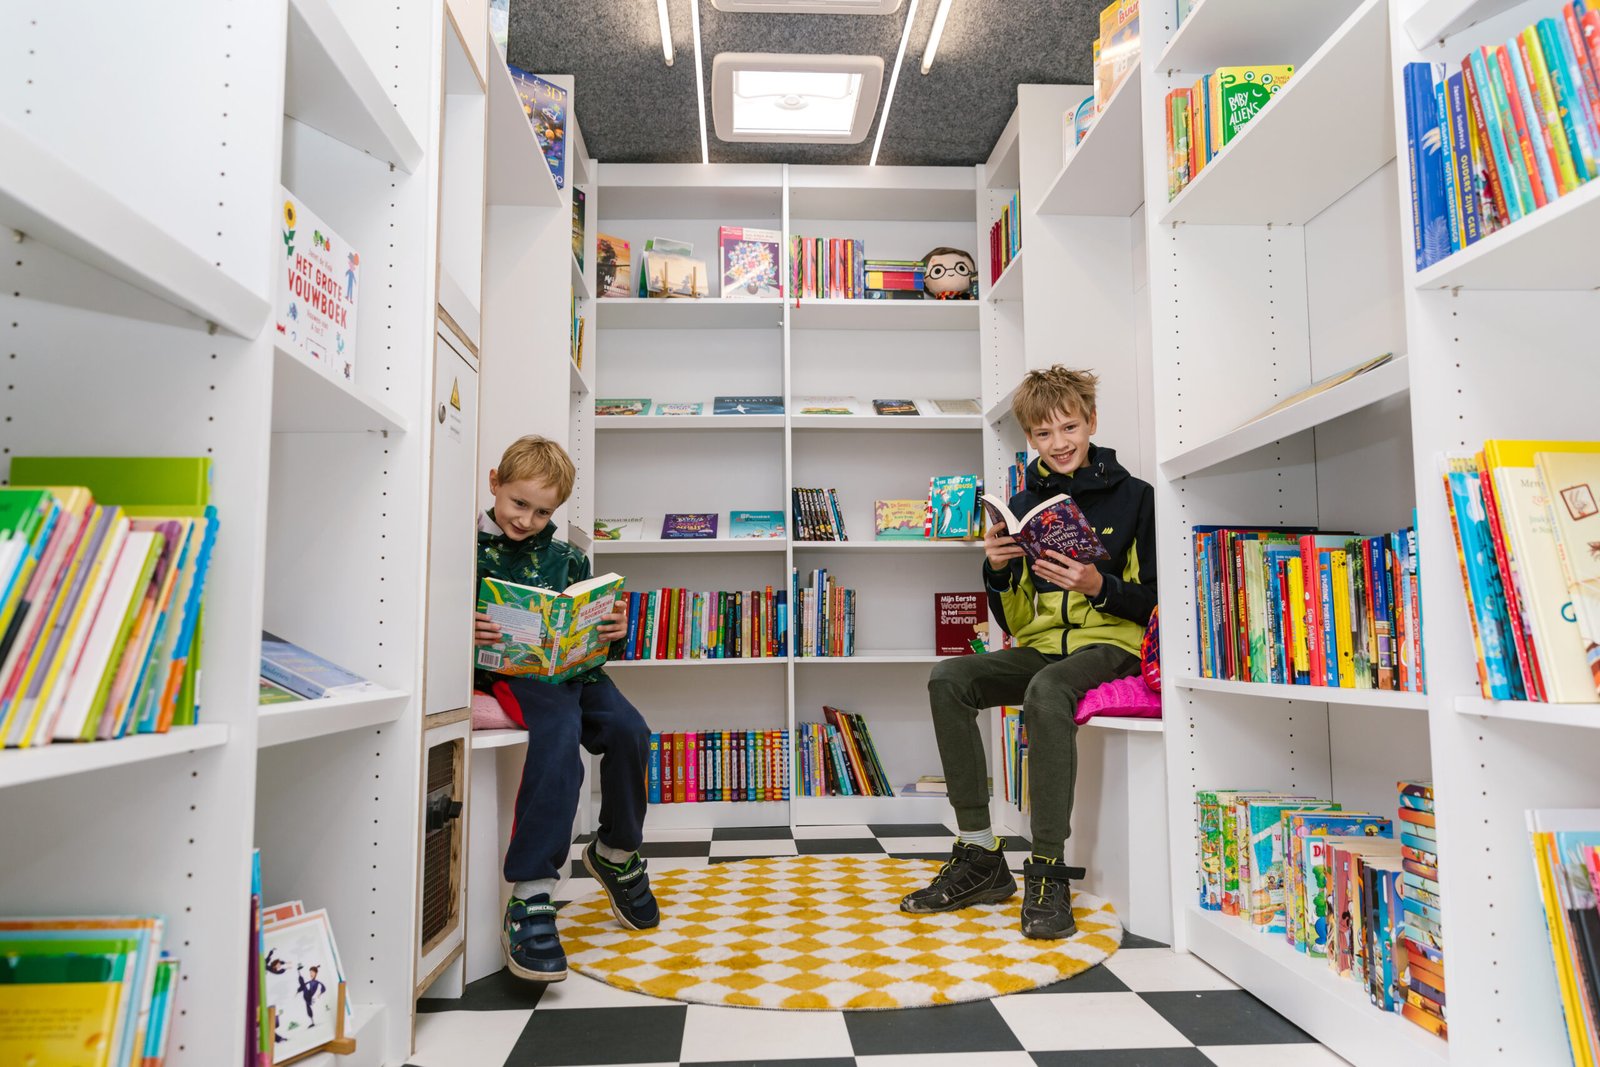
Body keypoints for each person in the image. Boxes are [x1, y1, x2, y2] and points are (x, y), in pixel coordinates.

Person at [901, 366, 1156, 939]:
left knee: (1047, 692)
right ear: (1029, 439)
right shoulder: (1022, 501)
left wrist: (1099, 587)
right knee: (949, 679)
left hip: (1112, 645)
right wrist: (995, 572)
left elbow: (1161, 604)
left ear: (1091, 422)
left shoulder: (1138, 499)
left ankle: (1046, 867)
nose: (1059, 443)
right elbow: (1016, 620)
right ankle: (980, 854)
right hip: (1043, 647)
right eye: (1043, 434)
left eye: (1069, 427)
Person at [473, 435, 657, 982]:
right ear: (494, 484)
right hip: (517, 675)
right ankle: (530, 893)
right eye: (518, 503)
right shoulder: (465, 552)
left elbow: (596, 631)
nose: (528, 519)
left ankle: (615, 851)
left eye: (543, 510)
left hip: (578, 672)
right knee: (559, 743)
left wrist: (614, 631)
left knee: (631, 730)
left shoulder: (570, 556)